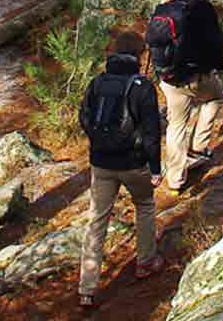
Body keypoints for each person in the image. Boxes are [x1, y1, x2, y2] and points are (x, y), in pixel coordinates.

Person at [77, 30, 165, 310]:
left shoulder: (97, 82)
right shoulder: (143, 86)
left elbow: (84, 117)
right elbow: (151, 132)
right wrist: (154, 168)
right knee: (145, 205)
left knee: (97, 221)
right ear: (139, 56)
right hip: (133, 163)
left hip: (101, 163)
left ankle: (86, 289)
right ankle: (146, 262)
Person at [158, 0, 223, 191]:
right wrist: (218, 65)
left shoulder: (168, 6)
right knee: (215, 96)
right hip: (195, 76)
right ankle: (198, 147)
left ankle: (176, 180)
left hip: (168, 79)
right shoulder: (203, 8)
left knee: (176, 125)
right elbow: (214, 42)